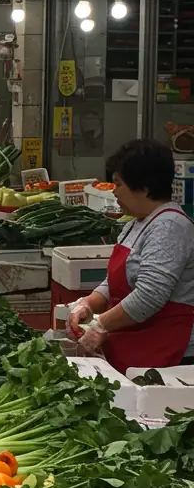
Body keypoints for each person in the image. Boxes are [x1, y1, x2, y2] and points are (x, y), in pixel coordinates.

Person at [69, 138, 194, 370]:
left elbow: (150, 295)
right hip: (135, 344)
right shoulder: (136, 224)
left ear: (144, 187)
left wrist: (100, 325)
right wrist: (87, 304)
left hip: (168, 353)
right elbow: (115, 282)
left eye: (118, 183)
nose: (114, 191)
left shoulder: (170, 227)